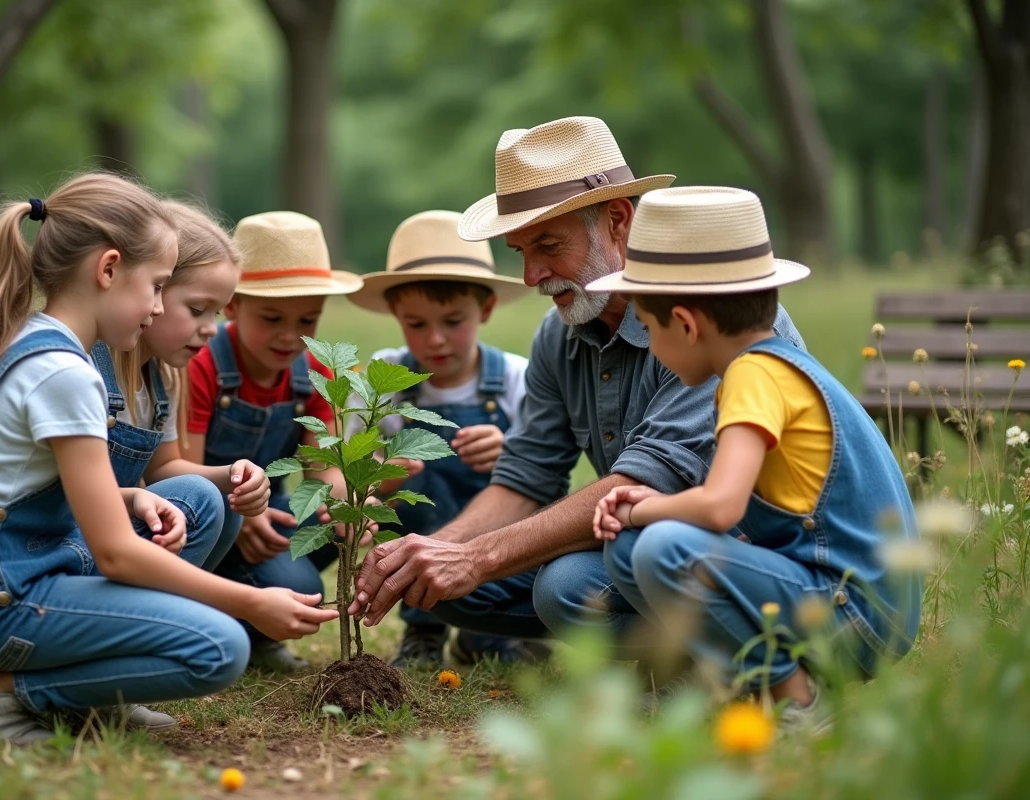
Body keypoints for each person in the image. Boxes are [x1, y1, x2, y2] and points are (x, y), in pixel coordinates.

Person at [348, 117, 805, 683]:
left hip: (749, 558)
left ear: (618, 220)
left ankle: (714, 655)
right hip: (640, 546)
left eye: (548, 245)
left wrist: (476, 558)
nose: (532, 274)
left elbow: (655, 479)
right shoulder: (558, 332)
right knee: (439, 589)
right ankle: (675, 649)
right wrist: (428, 553)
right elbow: (526, 474)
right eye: (519, 250)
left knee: (565, 585)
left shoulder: (716, 318)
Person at [0, 175, 338, 745]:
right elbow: (114, 551)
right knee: (220, 647)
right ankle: (0, 688)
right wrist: (250, 601)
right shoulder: (66, 372)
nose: (161, 306)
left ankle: (95, 685)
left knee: (196, 502)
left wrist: (134, 494)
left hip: (13, 569)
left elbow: (23, 492)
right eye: (160, 288)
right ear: (109, 270)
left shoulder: (44, 344)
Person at [589, 186, 920, 731]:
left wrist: (638, 511)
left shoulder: (753, 376)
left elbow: (720, 508)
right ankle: (744, 685)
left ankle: (800, 701)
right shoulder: (771, 366)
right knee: (633, 550)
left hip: (855, 616)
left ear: (687, 324)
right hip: (830, 595)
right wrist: (656, 504)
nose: (648, 346)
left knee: (659, 546)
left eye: (648, 330)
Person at [85, 199, 271, 729]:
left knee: (216, 500)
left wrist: (231, 473)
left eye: (218, 313)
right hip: (73, 538)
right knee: (199, 501)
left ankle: (113, 670)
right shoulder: (90, 368)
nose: (212, 329)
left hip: (107, 531)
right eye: (199, 309)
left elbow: (165, 469)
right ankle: (98, 670)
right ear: (153, 292)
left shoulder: (159, 376)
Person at [348, 209, 539, 667]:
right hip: (421, 530)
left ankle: (488, 631)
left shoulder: (516, 377)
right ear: (395, 314)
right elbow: (353, 467)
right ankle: (423, 629)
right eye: (416, 324)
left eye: (453, 321)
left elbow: (547, 472)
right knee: (422, 490)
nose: (435, 339)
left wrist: (506, 451)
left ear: (486, 309)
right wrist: (383, 479)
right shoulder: (384, 379)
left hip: (494, 546)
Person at [183, 211, 363, 673]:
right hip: (211, 518)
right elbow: (184, 471)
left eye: (307, 319)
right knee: (292, 579)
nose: (289, 335)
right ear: (232, 304)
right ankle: (230, 617)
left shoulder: (316, 372)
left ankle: (254, 624)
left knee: (317, 556)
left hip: (272, 515)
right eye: (271, 317)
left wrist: (348, 507)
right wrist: (239, 520)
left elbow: (323, 468)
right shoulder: (201, 364)